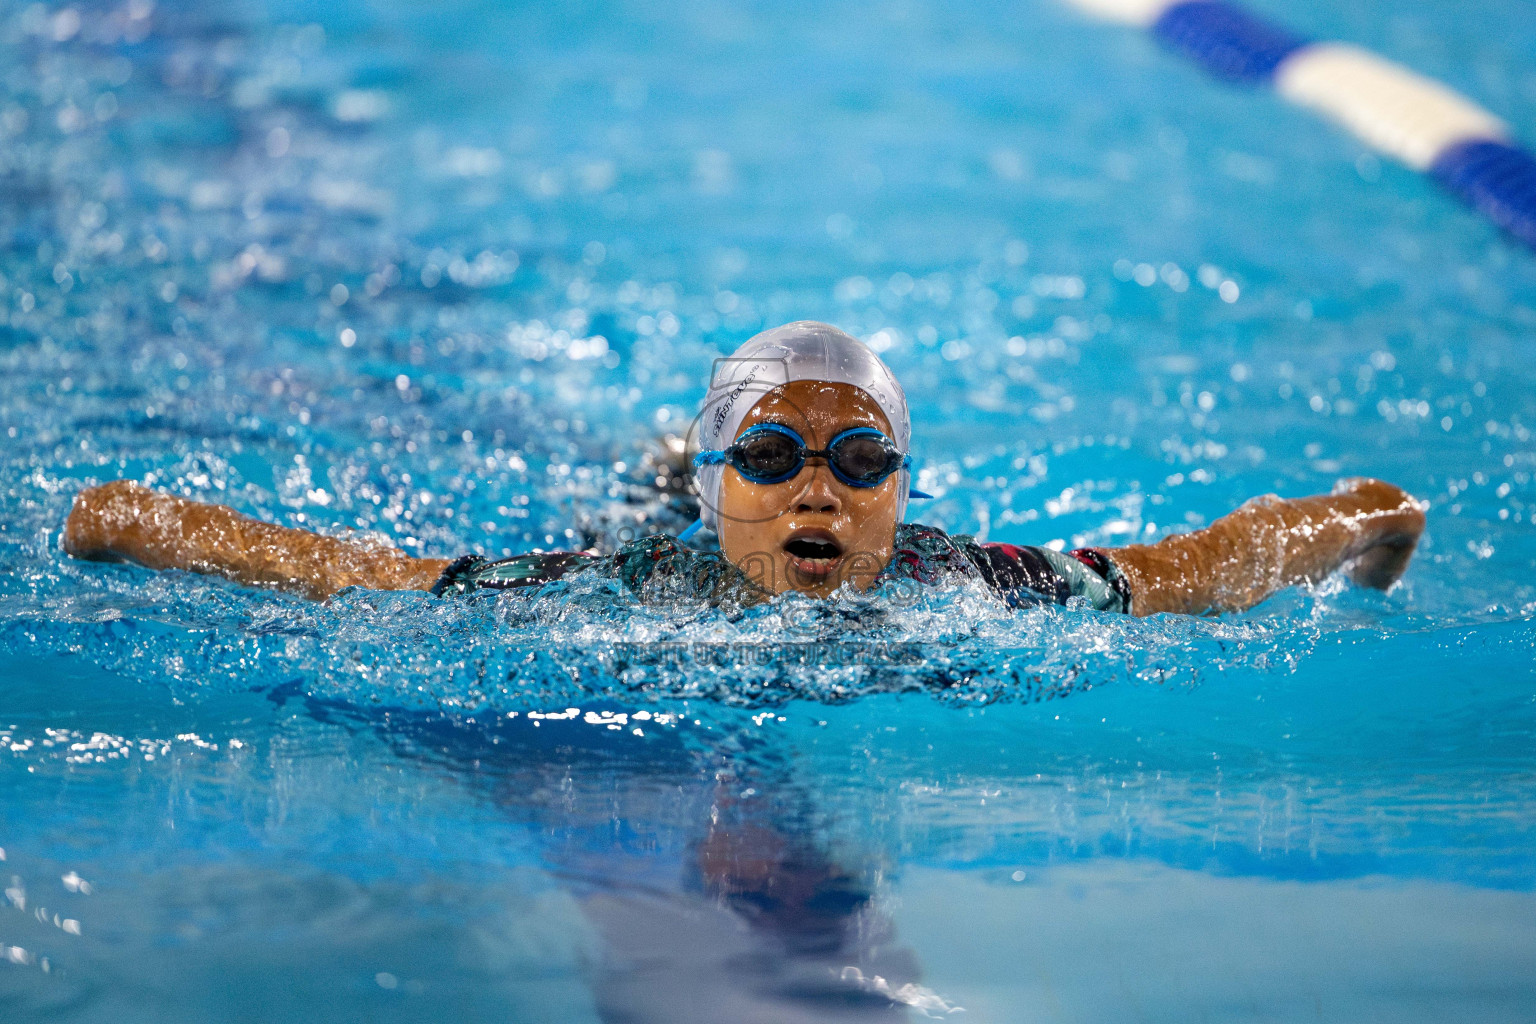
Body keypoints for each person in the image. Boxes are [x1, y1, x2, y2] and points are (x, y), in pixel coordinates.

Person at [62, 321, 1425, 616]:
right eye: (771, 458)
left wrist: (1368, 517)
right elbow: (373, 577)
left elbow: (1206, 563)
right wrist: (135, 520)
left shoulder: (978, 582)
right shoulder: (626, 584)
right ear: (725, 480)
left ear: (903, 485)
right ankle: (660, 455)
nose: (819, 492)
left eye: (860, 461)